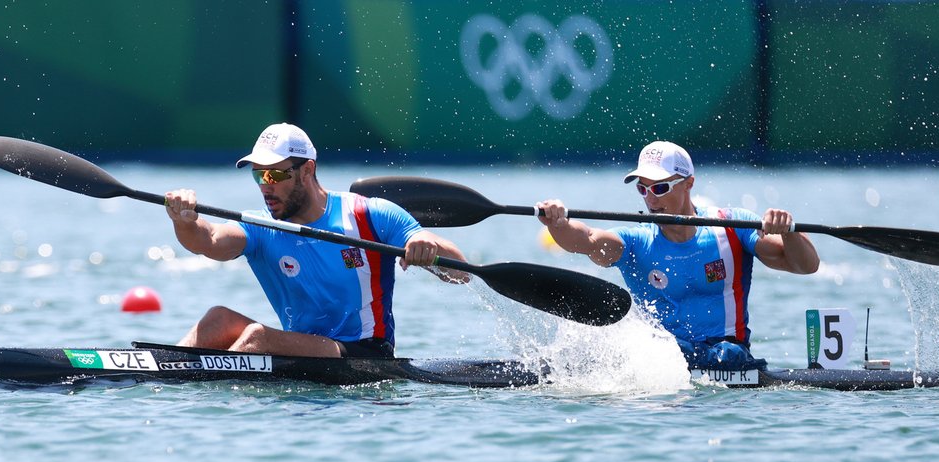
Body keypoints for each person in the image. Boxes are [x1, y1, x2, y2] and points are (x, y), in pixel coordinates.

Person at [164, 122, 468, 358]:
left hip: (362, 352)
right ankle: (162, 377)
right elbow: (209, 240)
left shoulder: (368, 215)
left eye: (274, 176)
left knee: (257, 338)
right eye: (258, 176)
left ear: (306, 170)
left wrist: (427, 247)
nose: (264, 187)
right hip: (302, 349)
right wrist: (185, 220)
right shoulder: (261, 226)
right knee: (217, 320)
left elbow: (462, 273)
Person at [536, 141, 820, 370]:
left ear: (688, 183)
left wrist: (788, 232)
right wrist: (558, 223)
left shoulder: (732, 228)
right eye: (642, 188)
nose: (651, 199)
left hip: (729, 355)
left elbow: (805, 265)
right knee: (672, 350)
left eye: (660, 188)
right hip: (665, 361)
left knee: (728, 355)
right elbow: (585, 239)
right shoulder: (636, 242)